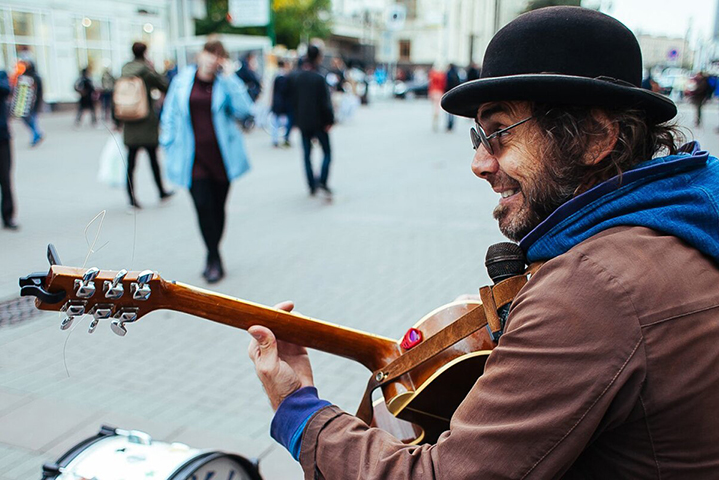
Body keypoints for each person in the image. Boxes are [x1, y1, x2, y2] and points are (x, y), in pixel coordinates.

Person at [247, 7, 719, 478]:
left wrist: (297, 411)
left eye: (499, 133)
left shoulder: (593, 289)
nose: (479, 163)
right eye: (478, 135)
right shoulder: (679, 224)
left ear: (595, 137)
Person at [160, 39, 253, 284]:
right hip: (192, 158)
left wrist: (232, 78)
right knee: (202, 206)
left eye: (218, 55)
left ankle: (213, 254)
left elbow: (245, 110)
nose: (213, 59)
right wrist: (167, 144)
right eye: (210, 53)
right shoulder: (182, 82)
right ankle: (213, 257)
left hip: (222, 158)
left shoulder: (225, 83)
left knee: (218, 209)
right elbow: (169, 114)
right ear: (200, 55)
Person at [120, 42, 172, 209]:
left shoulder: (124, 70)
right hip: (146, 120)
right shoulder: (146, 71)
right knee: (153, 159)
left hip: (130, 120)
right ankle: (161, 190)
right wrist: (153, 68)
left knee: (131, 162)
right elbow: (164, 85)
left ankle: (131, 197)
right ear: (145, 53)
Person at [290, 44, 335, 199]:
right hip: (319, 122)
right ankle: (322, 180)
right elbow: (325, 102)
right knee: (327, 152)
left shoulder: (296, 76)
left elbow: (292, 101)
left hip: (303, 122)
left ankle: (311, 184)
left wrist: (295, 120)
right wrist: (330, 120)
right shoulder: (319, 77)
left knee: (307, 155)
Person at [0, 70, 17, 230]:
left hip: (1, 138)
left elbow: (6, 89)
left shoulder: (1, 75)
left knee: (5, 179)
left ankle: (8, 216)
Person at [13, 60, 43, 147]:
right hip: (24, 103)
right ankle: (36, 134)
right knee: (27, 119)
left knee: (31, 119)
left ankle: (35, 135)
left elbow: (40, 91)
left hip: (33, 102)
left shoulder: (36, 77)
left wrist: (38, 101)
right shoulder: (23, 76)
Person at [270, 60, 293, 148]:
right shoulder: (285, 77)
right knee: (285, 122)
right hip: (284, 103)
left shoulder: (276, 76)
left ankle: (275, 139)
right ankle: (285, 138)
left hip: (277, 102)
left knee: (275, 122)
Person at [427, 63, 446, 131]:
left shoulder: (432, 74)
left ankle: (434, 121)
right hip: (439, 91)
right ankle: (437, 119)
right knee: (437, 108)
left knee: (434, 107)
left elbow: (430, 83)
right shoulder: (442, 74)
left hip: (433, 91)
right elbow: (443, 84)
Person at [444, 63, 461, 131]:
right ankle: (452, 123)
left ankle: (449, 124)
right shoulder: (456, 74)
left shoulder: (448, 74)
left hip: (448, 93)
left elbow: (446, 83)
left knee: (448, 111)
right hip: (454, 94)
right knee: (453, 111)